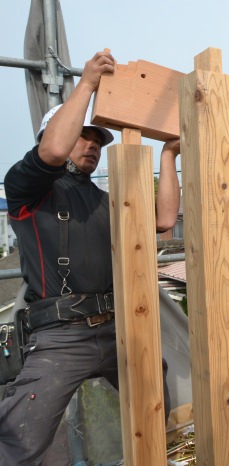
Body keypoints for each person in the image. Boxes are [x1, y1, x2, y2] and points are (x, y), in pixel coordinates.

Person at [0, 50, 181, 466]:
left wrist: (169, 156)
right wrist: (86, 85)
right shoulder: (28, 188)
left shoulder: (104, 201)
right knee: (19, 438)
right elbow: (50, 153)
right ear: (56, 134)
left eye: (98, 140)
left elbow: (165, 218)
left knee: (157, 402)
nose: (93, 145)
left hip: (117, 329)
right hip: (61, 335)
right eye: (84, 136)